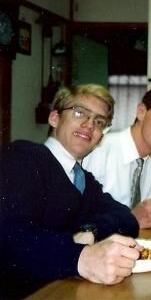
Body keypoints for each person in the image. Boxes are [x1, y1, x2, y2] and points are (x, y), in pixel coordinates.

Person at [0, 84, 141, 299]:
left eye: (99, 121)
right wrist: (80, 257)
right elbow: (10, 236)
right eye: (79, 113)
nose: (89, 125)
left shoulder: (84, 179)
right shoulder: (24, 157)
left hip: (65, 288)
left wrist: (90, 231)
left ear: (100, 137)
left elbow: (126, 218)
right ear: (54, 118)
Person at [82, 85, 151, 228]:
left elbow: (144, 222)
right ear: (141, 112)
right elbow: (79, 219)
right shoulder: (99, 150)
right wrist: (130, 218)